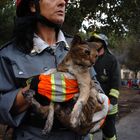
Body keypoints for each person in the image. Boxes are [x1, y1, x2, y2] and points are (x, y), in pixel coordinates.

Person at [0, 0, 109, 140]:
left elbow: (94, 83)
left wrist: (101, 101)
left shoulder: (78, 47)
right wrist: (34, 88)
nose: (62, 2)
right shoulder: (9, 54)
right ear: (33, 5)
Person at [88, 33, 121, 140]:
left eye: (97, 41)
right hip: (91, 103)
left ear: (103, 44)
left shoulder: (111, 60)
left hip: (109, 104)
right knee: (88, 131)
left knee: (109, 133)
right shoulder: (90, 59)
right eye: (92, 41)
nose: (94, 44)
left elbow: (116, 83)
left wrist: (112, 101)